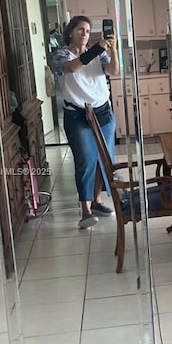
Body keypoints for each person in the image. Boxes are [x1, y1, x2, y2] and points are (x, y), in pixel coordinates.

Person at [52, 15, 119, 229]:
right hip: (77, 115)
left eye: (88, 31)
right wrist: (97, 49)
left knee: (104, 159)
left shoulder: (98, 55)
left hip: (103, 112)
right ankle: (85, 210)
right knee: (85, 161)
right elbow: (72, 67)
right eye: (81, 29)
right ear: (71, 32)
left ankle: (97, 201)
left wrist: (113, 50)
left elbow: (114, 71)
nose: (85, 34)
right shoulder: (61, 54)